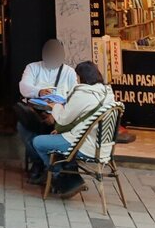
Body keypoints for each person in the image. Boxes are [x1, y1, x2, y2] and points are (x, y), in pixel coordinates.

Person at [30, 60, 116, 199]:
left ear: (82, 77)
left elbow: (63, 119)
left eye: (77, 77)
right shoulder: (108, 93)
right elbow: (85, 119)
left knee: (38, 142)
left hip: (83, 145)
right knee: (57, 138)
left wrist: (55, 106)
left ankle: (60, 176)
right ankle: (69, 175)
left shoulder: (83, 93)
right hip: (104, 148)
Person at [16, 39, 77, 181]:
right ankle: (37, 162)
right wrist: (39, 91)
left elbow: (73, 97)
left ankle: (50, 165)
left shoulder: (69, 72)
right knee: (23, 128)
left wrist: (56, 114)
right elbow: (24, 87)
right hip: (36, 113)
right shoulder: (33, 67)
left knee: (56, 132)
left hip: (58, 116)